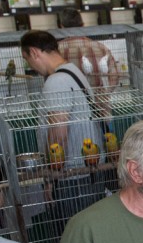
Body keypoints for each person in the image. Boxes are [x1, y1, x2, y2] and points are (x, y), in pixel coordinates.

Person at [20, 30, 107, 220]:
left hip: (72, 177)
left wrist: (51, 177)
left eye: (27, 59)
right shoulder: (72, 71)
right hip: (88, 171)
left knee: (72, 231)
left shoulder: (56, 81)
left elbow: (58, 134)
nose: (31, 66)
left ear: (34, 52)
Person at [56, 8, 120, 92]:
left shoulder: (56, 50)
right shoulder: (101, 47)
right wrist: (106, 94)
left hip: (69, 99)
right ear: (83, 25)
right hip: (98, 98)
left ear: (62, 26)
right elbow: (114, 76)